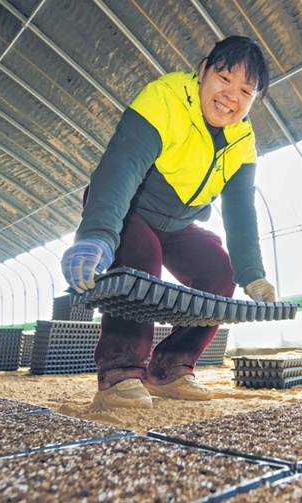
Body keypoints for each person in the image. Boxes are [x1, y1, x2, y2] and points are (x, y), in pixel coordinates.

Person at [60, 35, 276, 409]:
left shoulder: (242, 140)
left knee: (219, 272)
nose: (231, 96)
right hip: (128, 206)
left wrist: (252, 273)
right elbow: (121, 165)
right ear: (203, 69)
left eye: (245, 90)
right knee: (142, 259)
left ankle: (170, 368)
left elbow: (241, 210)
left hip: (177, 224)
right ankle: (119, 375)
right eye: (224, 79)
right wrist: (97, 234)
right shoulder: (165, 98)